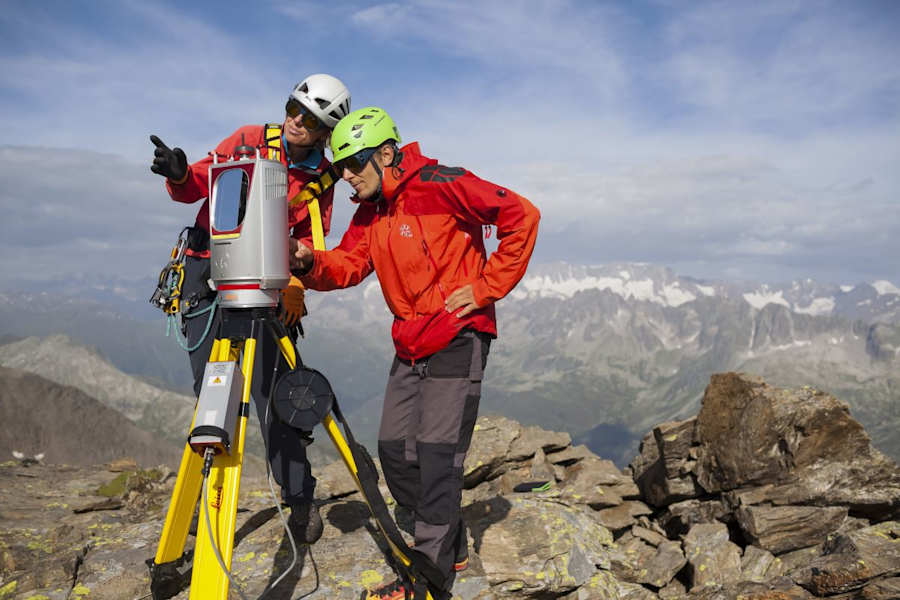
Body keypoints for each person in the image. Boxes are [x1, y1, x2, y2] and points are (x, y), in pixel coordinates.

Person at [290, 106, 540, 597]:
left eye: (353, 163)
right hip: (410, 338)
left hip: (459, 333)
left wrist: (487, 287)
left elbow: (521, 215)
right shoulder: (372, 211)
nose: (345, 176)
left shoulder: (442, 184)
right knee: (395, 454)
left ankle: (429, 580)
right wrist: (308, 261)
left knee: (437, 456)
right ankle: (452, 537)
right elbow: (347, 264)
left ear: (386, 153)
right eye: (339, 166)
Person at [149, 74, 352, 545]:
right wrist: (179, 173)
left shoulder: (322, 179)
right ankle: (204, 506)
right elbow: (199, 182)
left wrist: (295, 282)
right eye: (292, 108)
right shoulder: (249, 139)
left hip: (265, 283)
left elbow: (312, 239)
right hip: (206, 272)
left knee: (275, 393)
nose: (295, 120)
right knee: (212, 394)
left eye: (309, 118)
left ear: (326, 131)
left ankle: (299, 497)